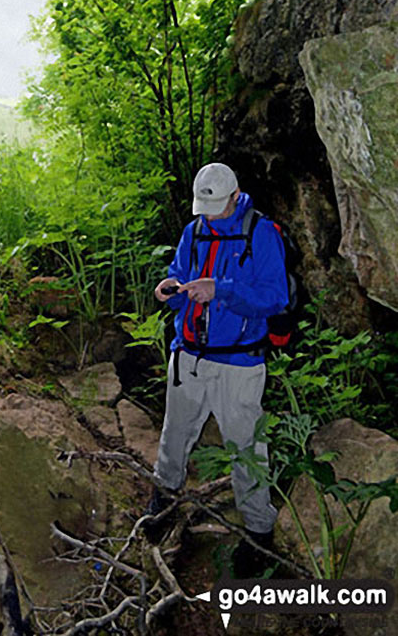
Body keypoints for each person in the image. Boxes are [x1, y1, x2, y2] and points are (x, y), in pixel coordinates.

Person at [146, 162, 289, 575]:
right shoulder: (193, 232)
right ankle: (164, 498)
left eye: (215, 206)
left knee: (246, 447)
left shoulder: (261, 233)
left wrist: (221, 291)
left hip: (240, 362)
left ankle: (259, 532)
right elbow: (178, 276)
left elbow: (274, 298)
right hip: (188, 355)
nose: (207, 214)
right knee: (175, 433)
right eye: (202, 206)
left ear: (235, 194)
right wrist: (169, 292)